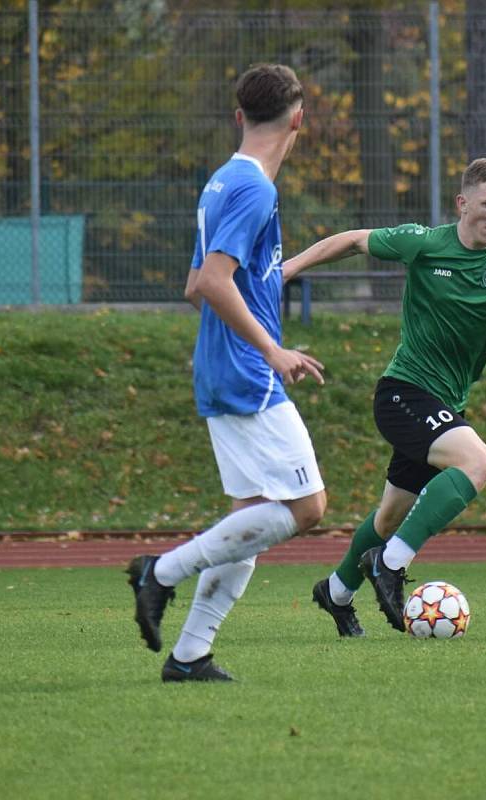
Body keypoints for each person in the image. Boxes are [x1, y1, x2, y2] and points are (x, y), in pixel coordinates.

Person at [283, 157, 486, 637]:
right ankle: (391, 563)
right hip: (404, 393)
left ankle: (336, 593)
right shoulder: (425, 243)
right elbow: (352, 240)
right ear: (463, 203)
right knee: (479, 462)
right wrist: (288, 268)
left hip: (445, 403)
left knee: (390, 515)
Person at [127, 63, 327, 681]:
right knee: (307, 507)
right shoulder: (254, 189)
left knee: (251, 517)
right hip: (247, 369)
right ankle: (159, 572)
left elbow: (195, 285)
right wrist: (271, 349)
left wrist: (252, 301)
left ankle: (190, 657)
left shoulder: (222, 182)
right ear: (299, 118)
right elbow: (213, 282)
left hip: (220, 362)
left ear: (239, 116)